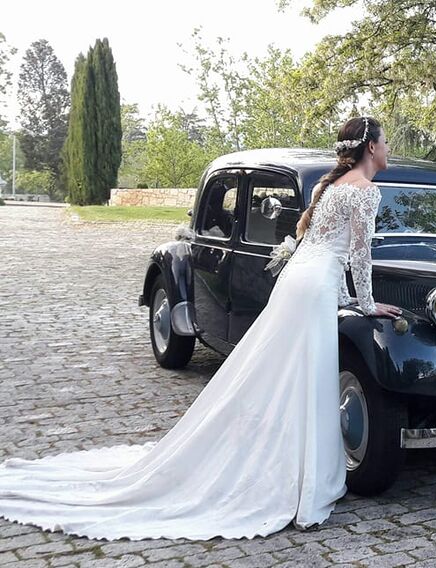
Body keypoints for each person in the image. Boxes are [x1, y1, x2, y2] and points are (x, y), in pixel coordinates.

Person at [0, 116, 402, 540]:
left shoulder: (329, 186)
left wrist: (343, 297)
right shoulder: (365, 191)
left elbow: (317, 243)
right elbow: (359, 254)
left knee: (284, 372)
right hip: (316, 283)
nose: (388, 147)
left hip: (300, 279)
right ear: (371, 147)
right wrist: (368, 305)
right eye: (385, 141)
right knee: (307, 376)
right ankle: (298, 474)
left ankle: (282, 460)